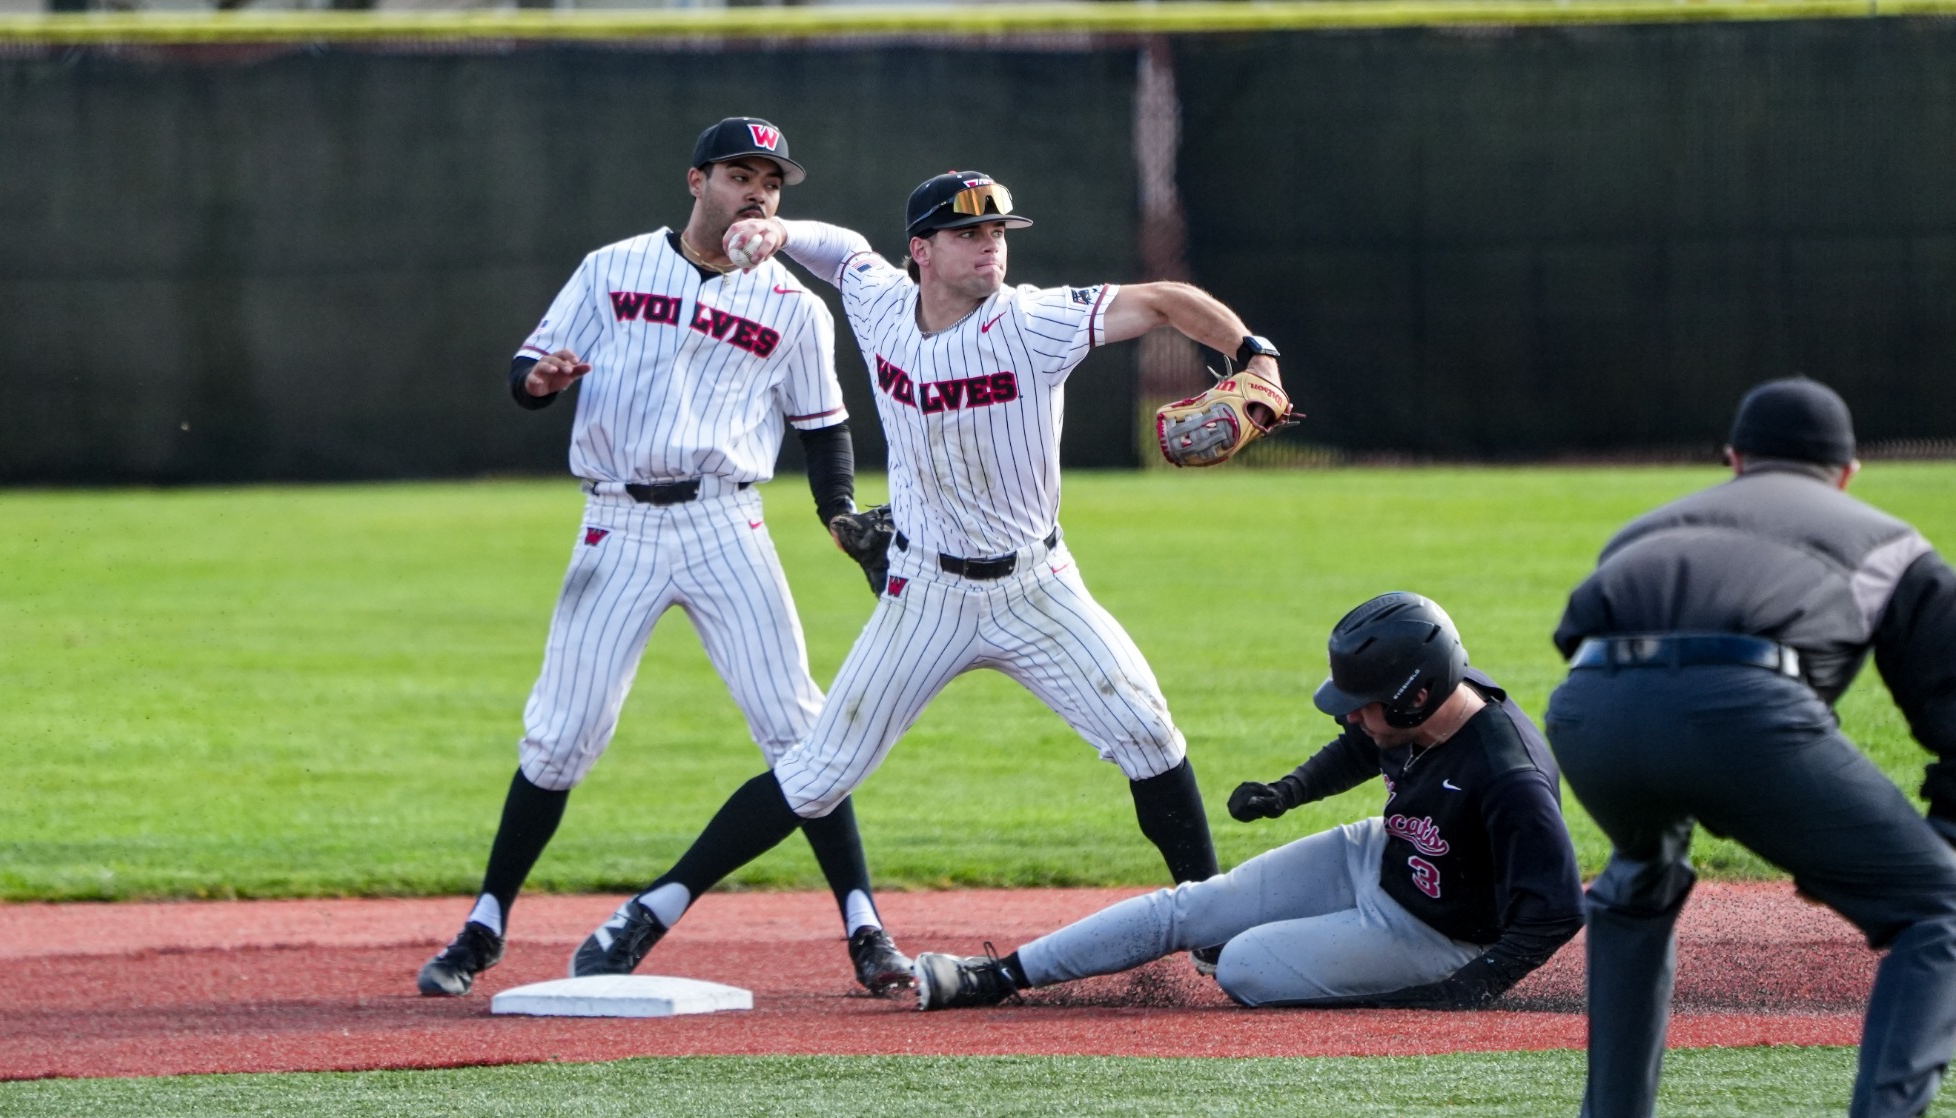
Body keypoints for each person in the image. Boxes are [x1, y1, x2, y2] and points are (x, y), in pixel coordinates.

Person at [559, 170, 1295, 980]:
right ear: (923, 251)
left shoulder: (1035, 320)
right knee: (813, 774)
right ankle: (645, 913)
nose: (992, 247)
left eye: (999, 233)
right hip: (926, 593)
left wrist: (1252, 352)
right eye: (970, 234)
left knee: (1150, 736)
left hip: (1036, 588)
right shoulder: (879, 303)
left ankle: (1211, 924)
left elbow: (1161, 299)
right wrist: (782, 232)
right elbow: (843, 255)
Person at [416, 117, 912, 999]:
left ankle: (865, 926)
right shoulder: (612, 268)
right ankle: (484, 925)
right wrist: (538, 382)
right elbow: (527, 368)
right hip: (617, 523)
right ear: (696, 182)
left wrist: (837, 514)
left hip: (729, 525)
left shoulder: (794, 305)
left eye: (772, 179)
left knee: (803, 732)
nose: (757, 190)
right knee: (562, 736)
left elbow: (824, 428)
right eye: (739, 172)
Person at [1548, 376, 1956, 1118]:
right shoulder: (1893, 543)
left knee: (1637, 884)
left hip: (1589, 710)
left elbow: (1580, 631)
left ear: (1735, 459)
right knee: (1943, 906)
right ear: (1846, 472)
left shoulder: (1650, 525)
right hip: (1741, 712)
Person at [910, 592, 1585, 1011]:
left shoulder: (1508, 777)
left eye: (1362, 703)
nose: (1350, 716)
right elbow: (1368, 745)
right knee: (1195, 908)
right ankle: (996, 976)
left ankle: (1356, 970)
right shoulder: (1428, 703)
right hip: (1382, 856)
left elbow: (1556, 907)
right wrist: (1290, 791)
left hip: (1437, 935)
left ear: (1414, 694)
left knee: (1244, 965)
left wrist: (1474, 985)